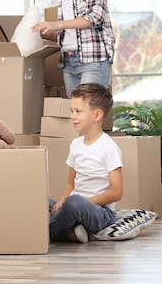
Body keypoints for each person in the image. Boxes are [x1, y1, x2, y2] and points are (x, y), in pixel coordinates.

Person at [48, 83, 122, 243]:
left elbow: (117, 192)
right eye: (72, 111)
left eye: (78, 112)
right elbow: (70, 184)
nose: (72, 116)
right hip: (74, 205)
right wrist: (61, 202)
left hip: (100, 211)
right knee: (41, 200)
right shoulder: (76, 145)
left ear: (97, 115)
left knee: (74, 203)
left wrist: (83, 202)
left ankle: (43, 232)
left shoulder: (109, 147)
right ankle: (70, 231)